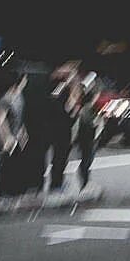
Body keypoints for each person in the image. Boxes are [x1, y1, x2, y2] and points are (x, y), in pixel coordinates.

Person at [0, 73, 35, 198]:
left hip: (18, 134)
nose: (26, 82)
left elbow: (20, 117)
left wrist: (23, 132)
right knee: (5, 164)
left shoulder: (20, 96)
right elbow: (0, 120)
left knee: (17, 164)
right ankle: (1, 193)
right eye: (24, 80)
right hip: (8, 136)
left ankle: (15, 191)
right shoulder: (6, 98)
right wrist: (6, 138)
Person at [43, 64, 79, 193]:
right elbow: (68, 105)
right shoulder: (58, 86)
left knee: (61, 157)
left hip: (63, 127)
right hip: (58, 127)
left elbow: (73, 107)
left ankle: (58, 182)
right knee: (58, 157)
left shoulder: (68, 87)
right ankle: (55, 184)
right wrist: (69, 84)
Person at [70, 74, 101, 195]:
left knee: (87, 159)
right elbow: (88, 124)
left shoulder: (87, 109)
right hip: (87, 138)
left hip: (86, 138)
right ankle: (84, 183)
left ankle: (85, 182)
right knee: (87, 159)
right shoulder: (86, 110)